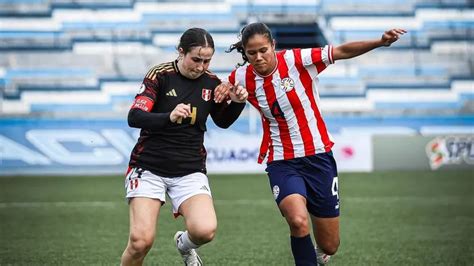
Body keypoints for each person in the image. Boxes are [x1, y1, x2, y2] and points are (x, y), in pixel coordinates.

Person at [225, 22, 406, 265]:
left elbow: (340, 51)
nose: (258, 57)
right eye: (252, 53)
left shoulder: (297, 60)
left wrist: (380, 42)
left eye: (263, 50)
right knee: (298, 221)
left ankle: (318, 256)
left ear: (273, 46)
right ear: (245, 53)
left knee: (330, 245)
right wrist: (227, 95)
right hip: (282, 160)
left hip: (319, 156)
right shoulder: (240, 77)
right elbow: (219, 91)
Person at [121, 27, 248, 266]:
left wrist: (238, 103)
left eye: (207, 60)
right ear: (181, 52)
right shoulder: (159, 75)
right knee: (140, 241)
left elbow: (222, 121)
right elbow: (135, 117)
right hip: (148, 167)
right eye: (196, 59)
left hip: (189, 169)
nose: (201, 66)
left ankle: (184, 245)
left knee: (205, 231)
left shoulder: (212, 82)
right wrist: (168, 117)